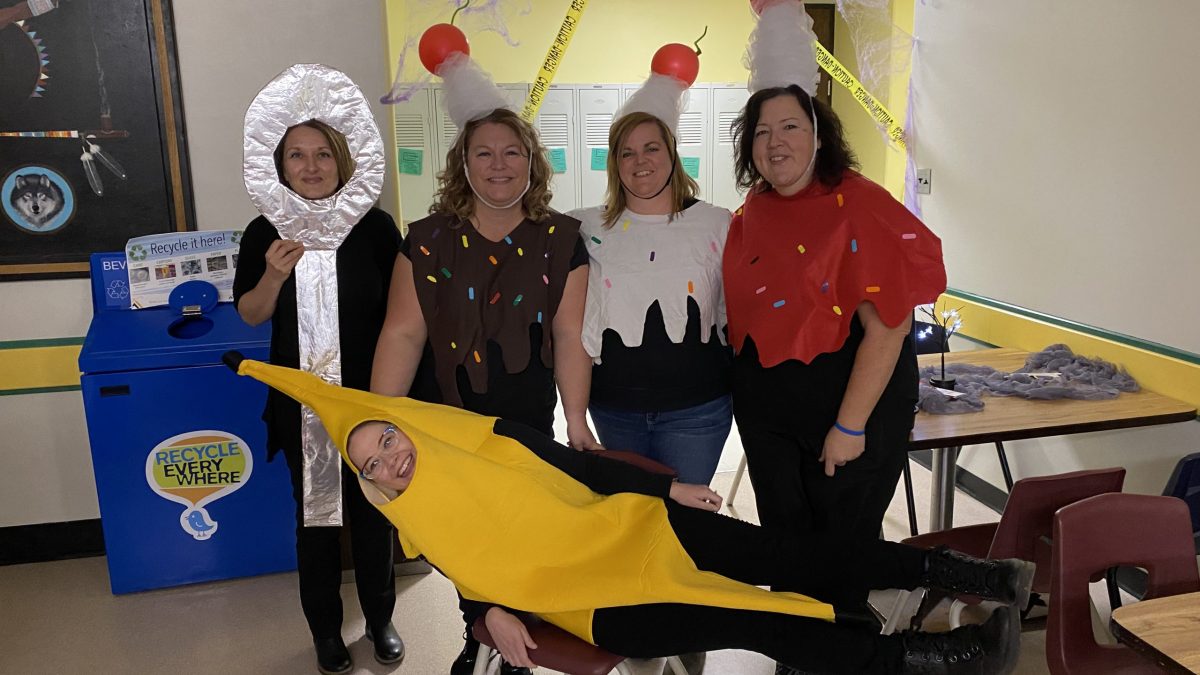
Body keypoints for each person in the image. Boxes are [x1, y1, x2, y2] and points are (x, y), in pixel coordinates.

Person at [227, 354, 1034, 675]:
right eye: (371, 465)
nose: (389, 463)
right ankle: (944, 657)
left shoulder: (492, 443)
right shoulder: (410, 519)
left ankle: (969, 573)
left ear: (407, 425)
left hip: (639, 529)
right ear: (366, 480)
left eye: (388, 441)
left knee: (798, 558)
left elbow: (584, 464)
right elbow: (469, 575)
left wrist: (669, 490)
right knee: (758, 620)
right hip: (602, 604)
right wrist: (490, 611)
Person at [723, 0, 947, 630]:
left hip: (848, 418)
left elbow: (890, 328)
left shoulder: (860, 205)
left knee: (839, 551)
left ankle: (846, 645)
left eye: (790, 127)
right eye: (762, 132)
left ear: (818, 132)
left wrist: (849, 428)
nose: (776, 143)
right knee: (787, 549)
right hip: (770, 423)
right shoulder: (753, 211)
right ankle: (801, 649)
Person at [371, 105, 600, 673]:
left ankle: (510, 638)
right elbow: (402, 333)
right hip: (445, 420)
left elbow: (571, 334)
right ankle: (478, 631)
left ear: (532, 163)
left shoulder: (562, 239)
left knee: (518, 530)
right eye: (484, 153)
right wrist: (379, 422)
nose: (499, 165)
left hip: (523, 421)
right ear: (463, 165)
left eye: (512, 152)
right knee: (461, 528)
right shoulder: (425, 242)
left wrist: (576, 421)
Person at [232, 118, 403, 675]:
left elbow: (403, 316)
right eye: (297, 157)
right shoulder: (264, 232)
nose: (311, 167)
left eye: (323, 155)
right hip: (302, 405)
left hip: (370, 401)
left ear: (342, 162)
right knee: (317, 522)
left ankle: (381, 620)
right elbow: (251, 313)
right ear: (280, 168)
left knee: (376, 514)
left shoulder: (376, 229)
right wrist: (275, 278)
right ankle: (326, 633)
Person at [569, 104, 733, 487]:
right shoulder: (583, 226)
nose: (639, 160)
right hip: (614, 407)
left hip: (698, 408)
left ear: (672, 154)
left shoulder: (717, 222)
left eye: (651, 148)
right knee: (633, 518)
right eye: (627, 152)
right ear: (614, 164)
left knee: (687, 527)